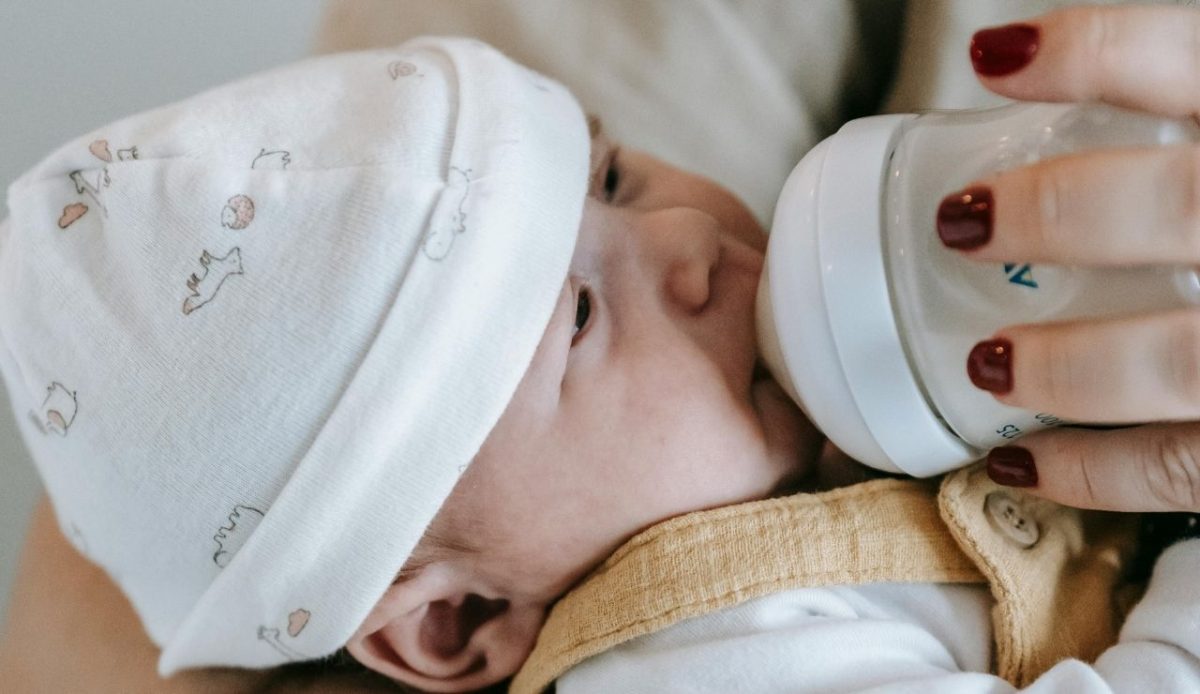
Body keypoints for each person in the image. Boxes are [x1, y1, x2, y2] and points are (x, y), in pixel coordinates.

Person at [2, 4, 1200, 694]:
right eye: (574, 315)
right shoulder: (688, 657)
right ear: (455, 624)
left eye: (612, 171)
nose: (688, 239)